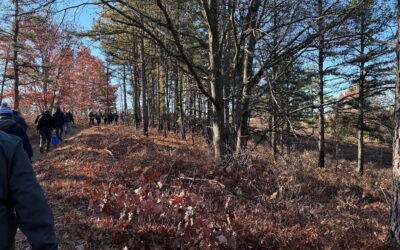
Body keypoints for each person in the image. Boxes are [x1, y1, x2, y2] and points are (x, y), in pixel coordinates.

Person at [0, 130, 58, 249]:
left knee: (43, 136)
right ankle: (51, 146)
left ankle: (44, 144)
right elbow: (29, 200)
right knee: (54, 134)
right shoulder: (13, 135)